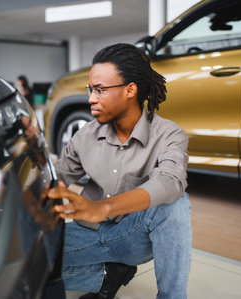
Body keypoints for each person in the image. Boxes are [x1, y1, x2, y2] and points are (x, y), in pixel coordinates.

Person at [47, 43, 192, 299]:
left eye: (100, 90)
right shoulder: (85, 136)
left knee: (175, 203)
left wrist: (104, 207)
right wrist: (33, 147)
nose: (91, 98)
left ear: (130, 90)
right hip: (86, 233)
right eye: (90, 89)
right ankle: (106, 277)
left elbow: (171, 181)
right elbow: (55, 179)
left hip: (131, 237)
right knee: (26, 262)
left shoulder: (169, 134)